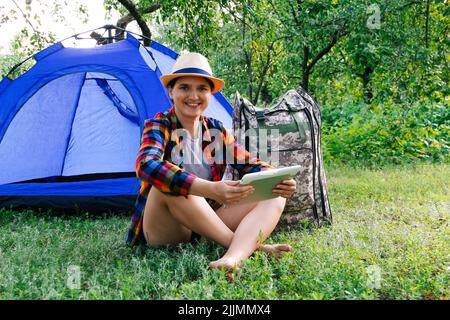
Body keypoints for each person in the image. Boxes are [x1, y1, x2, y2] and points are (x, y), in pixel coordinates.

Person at [126, 52, 296, 272]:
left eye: (202, 89)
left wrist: (280, 180)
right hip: (167, 229)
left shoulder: (216, 131)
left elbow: (251, 164)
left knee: (275, 193)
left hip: (206, 223)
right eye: (184, 87)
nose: (193, 96)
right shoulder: (159, 125)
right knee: (168, 184)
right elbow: (146, 165)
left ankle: (232, 259)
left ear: (211, 94)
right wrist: (210, 189)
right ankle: (252, 248)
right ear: (171, 91)